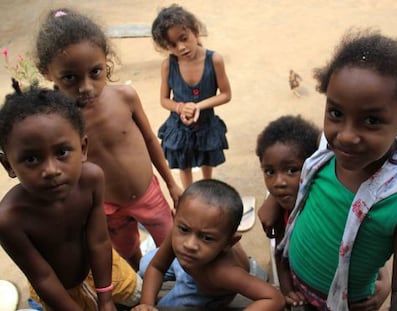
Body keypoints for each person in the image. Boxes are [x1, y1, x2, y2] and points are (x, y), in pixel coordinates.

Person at [34, 8, 183, 271]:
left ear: (107, 62)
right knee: (128, 255)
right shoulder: (57, 122)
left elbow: (150, 140)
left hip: (147, 194)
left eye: (95, 72)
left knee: (172, 246)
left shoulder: (125, 96)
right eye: (70, 78)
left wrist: (172, 184)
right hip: (106, 209)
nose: (86, 87)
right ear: (47, 72)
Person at [277, 30, 397, 310]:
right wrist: (271, 202)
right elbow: (305, 179)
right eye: (336, 113)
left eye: (372, 120)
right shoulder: (327, 149)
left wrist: (385, 285)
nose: (347, 135)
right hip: (293, 284)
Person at [0, 85, 141, 311]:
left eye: (62, 152)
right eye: (31, 159)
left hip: (105, 269)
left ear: (83, 148)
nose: (51, 170)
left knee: (143, 299)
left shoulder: (91, 180)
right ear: (9, 165)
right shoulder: (10, 219)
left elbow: (99, 241)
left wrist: (105, 298)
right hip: (59, 293)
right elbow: (43, 276)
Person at [256, 115, 391, 310]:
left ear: (314, 166)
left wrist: (385, 282)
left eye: (292, 170)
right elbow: (280, 249)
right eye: (269, 172)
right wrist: (286, 289)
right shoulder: (281, 212)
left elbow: (367, 245)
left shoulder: (327, 202)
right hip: (305, 290)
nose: (279, 182)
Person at [132, 179, 285, 311]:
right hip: (188, 263)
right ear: (175, 218)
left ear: (228, 243)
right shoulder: (181, 233)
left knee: (167, 306)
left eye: (207, 238)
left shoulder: (224, 273)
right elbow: (157, 266)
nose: (190, 244)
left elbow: (274, 298)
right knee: (145, 264)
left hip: (203, 289)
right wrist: (147, 304)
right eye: (184, 229)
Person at [151, 4, 232, 188]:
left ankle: (207, 189)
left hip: (205, 124)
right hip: (180, 127)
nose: (181, 47)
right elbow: (164, 100)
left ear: (195, 31)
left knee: (207, 159)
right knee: (183, 163)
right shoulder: (168, 66)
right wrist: (180, 108)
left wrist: (198, 106)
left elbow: (226, 94)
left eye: (184, 38)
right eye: (172, 44)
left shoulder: (214, 60)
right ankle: (189, 195)